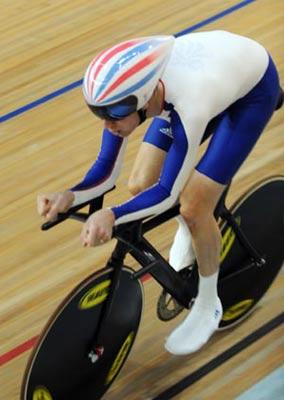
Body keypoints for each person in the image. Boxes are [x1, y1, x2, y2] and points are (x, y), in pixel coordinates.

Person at [37, 31, 282, 355]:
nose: (107, 125)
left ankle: (208, 302)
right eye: (100, 114)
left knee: (193, 206)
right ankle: (191, 235)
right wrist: (68, 195)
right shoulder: (127, 98)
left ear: (140, 99)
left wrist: (111, 214)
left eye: (112, 115)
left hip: (250, 94)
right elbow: (107, 169)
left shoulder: (189, 106)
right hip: (212, 78)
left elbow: (168, 192)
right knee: (139, 184)